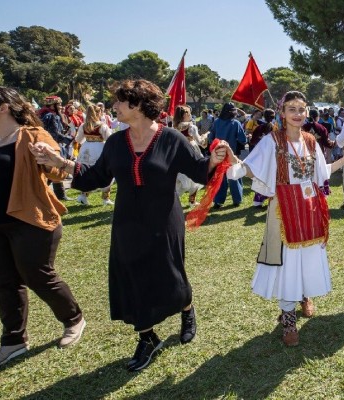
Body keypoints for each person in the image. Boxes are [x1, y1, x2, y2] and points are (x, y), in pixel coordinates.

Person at [31, 79, 228, 371]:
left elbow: (199, 171)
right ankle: (147, 337)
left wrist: (212, 159)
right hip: (126, 221)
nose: (115, 106)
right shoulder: (115, 142)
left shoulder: (172, 138)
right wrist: (59, 161)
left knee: (171, 273)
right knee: (134, 277)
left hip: (165, 219)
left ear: (138, 106)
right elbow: (95, 177)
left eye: (122, 101)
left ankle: (187, 309)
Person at [223, 91, 344, 346]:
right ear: (282, 113)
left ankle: (304, 294)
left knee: (306, 257)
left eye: (301, 109)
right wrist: (233, 160)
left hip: (309, 206)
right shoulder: (272, 140)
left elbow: (321, 173)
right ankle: (288, 318)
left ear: (307, 113)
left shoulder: (310, 141)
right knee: (286, 262)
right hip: (283, 209)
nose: (297, 114)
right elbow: (251, 167)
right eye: (291, 109)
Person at [0, 86, 85, 370]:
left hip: (31, 222)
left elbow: (58, 171)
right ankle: (13, 341)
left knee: (38, 276)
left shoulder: (34, 137)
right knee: (4, 283)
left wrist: (48, 158)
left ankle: (74, 320)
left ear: (3, 108)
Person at [74, 104, 114, 206]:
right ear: (98, 113)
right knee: (105, 171)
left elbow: (78, 139)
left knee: (86, 171)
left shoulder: (83, 125)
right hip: (99, 148)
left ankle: (83, 195)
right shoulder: (102, 126)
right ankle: (105, 198)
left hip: (86, 149)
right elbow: (109, 138)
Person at [210, 102, 247, 208]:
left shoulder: (216, 122)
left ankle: (218, 201)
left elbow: (211, 137)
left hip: (218, 154)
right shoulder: (235, 123)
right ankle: (237, 200)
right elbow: (242, 139)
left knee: (219, 177)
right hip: (232, 154)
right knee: (234, 176)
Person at [38, 96, 72, 201]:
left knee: (48, 171)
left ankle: (56, 195)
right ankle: (57, 195)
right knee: (55, 170)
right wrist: (68, 139)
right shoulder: (52, 116)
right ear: (53, 105)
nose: (60, 107)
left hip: (44, 144)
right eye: (59, 105)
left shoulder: (42, 115)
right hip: (53, 145)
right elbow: (54, 134)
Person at [173, 105, 206, 207]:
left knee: (180, 179)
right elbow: (200, 142)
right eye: (189, 113)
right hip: (192, 152)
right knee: (195, 175)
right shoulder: (191, 126)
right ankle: (191, 201)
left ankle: (174, 201)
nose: (191, 115)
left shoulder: (174, 126)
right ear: (185, 115)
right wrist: (205, 136)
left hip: (178, 153)